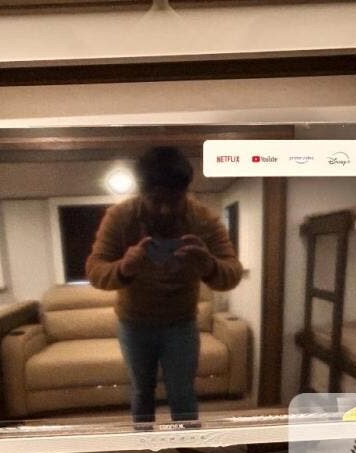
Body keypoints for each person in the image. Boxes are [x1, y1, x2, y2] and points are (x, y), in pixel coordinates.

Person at [86, 146, 243, 427]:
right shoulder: (120, 217)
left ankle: (187, 446)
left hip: (181, 323)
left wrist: (208, 265)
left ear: (186, 192)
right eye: (156, 200)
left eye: (175, 200)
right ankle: (145, 445)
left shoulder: (203, 219)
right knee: (141, 391)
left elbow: (232, 273)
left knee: (183, 393)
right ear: (140, 192)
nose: (165, 209)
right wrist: (123, 268)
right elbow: (95, 270)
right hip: (134, 323)